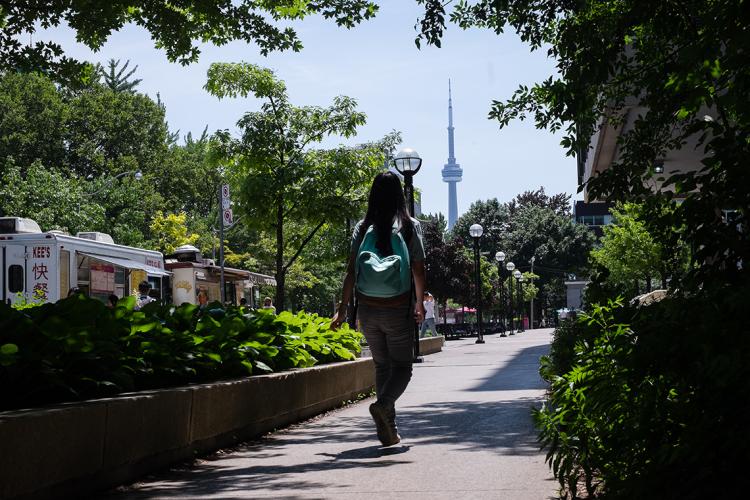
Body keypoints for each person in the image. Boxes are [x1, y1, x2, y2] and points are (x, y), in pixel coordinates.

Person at [331, 171, 426, 447]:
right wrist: (419, 303)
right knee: (403, 368)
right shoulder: (409, 225)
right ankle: (384, 405)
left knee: (382, 366)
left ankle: (389, 429)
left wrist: (343, 309)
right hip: (398, 308)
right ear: (400, 195)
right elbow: (418, 268)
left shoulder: (363, 227)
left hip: (368, 309)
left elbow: (351, 270)